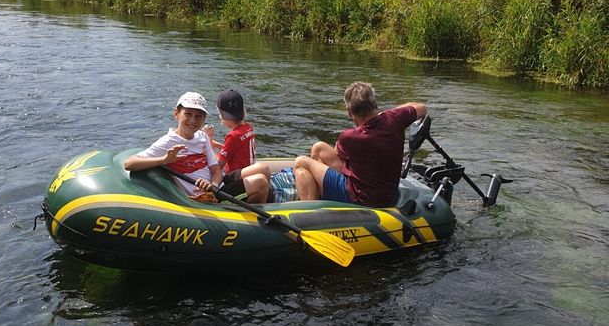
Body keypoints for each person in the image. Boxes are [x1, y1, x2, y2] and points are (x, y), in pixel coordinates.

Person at [293, 82, 428, 206]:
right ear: (374, 103)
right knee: (319, 148)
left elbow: (337, 156)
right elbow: (422, 108)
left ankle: (309, 209)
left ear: (349, 112)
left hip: (359, 198)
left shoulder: (349, 137)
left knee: (301, 162)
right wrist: (390, 113)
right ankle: (317, 194)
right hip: (385, 195)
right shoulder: (395, 119)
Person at [123, 91, 269, 203]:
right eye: (188, 114)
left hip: (215, 186)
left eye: (198, 116)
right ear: (177, 114)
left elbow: (216, 170)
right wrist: (164, 159)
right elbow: (129, 163)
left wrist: (213, 185)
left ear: (204, 119)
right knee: (260, 182)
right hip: (204, 196)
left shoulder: (201, 136)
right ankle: (255, 221)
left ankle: (264, 203)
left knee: (263, 169)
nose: (193, 121)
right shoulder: (168, 142)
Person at [205, 89, 271, 203]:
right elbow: (234, 149)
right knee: (263, 168)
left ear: (223, 116)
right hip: (248, 170)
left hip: (234, 177)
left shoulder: (233, 135)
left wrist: (208, 139)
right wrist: (218, 145)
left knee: (263, 168)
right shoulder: (248, 127)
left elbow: (218, 166)